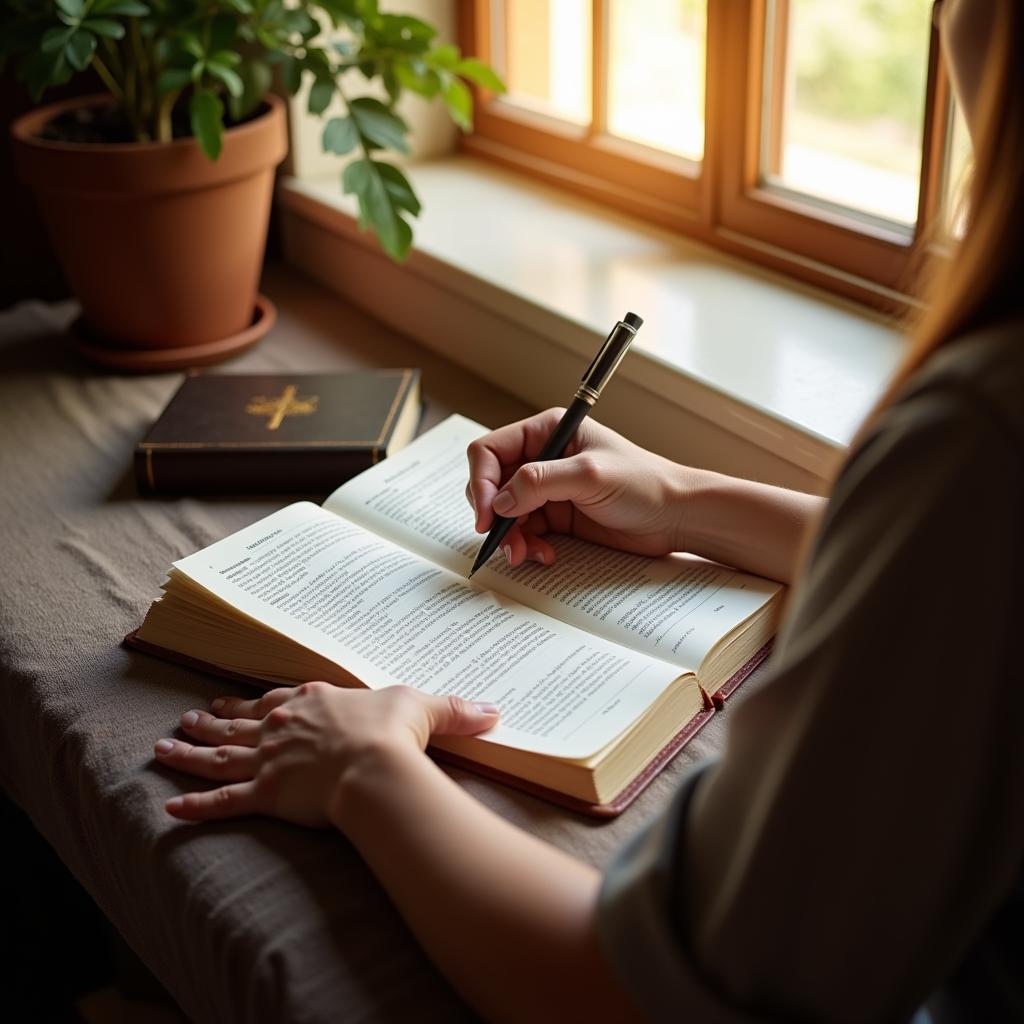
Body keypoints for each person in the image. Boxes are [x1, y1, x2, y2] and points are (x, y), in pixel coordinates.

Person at [153, 0, 1023, 1019]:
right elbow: (969, 584)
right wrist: (683, 502)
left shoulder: (979, 421)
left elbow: (639, 993)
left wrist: (365, 770)